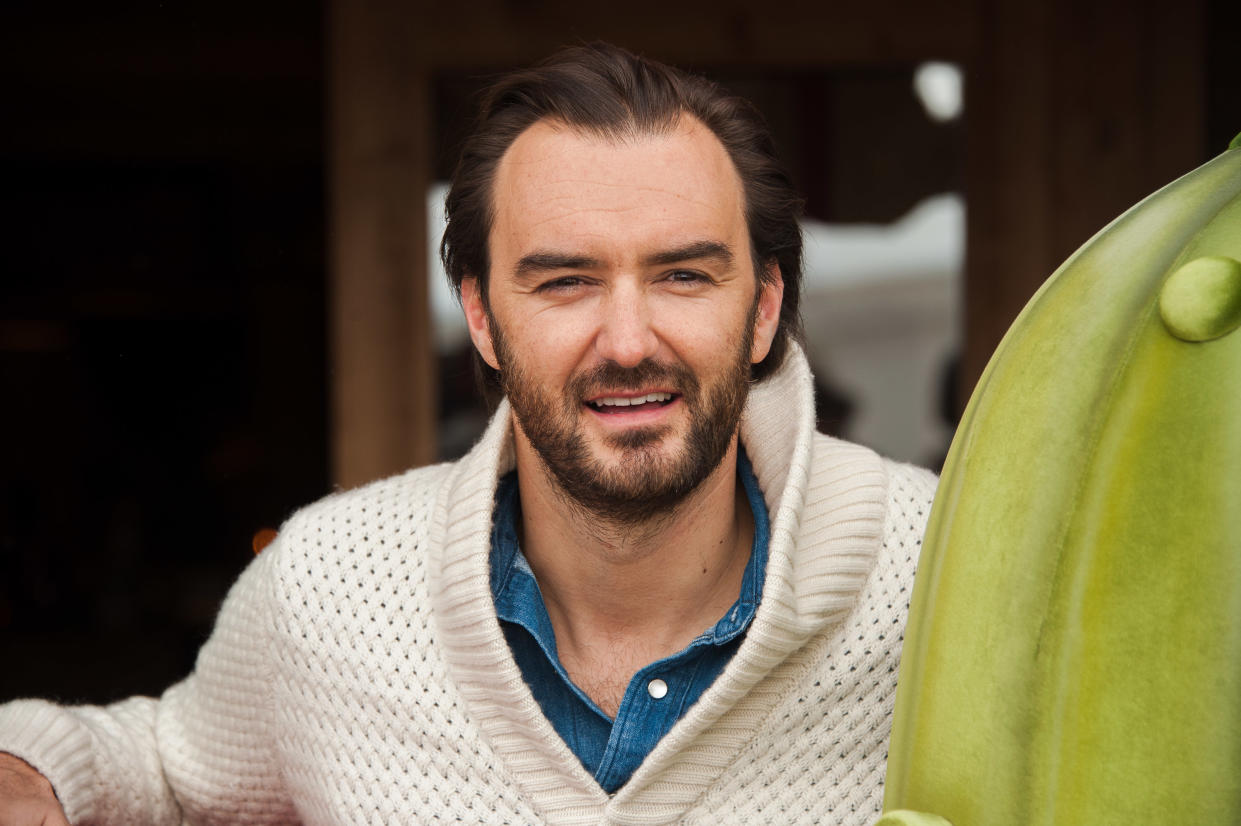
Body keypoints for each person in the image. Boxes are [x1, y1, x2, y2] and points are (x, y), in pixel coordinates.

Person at [0, 43, 937, 825]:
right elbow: (164, 766)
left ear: (765, 307)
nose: (627, 341)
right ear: (483, 320)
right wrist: (38, 768)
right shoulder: (332, 581)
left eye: (684, 276)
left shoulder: (942, 568)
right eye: (564, 280)